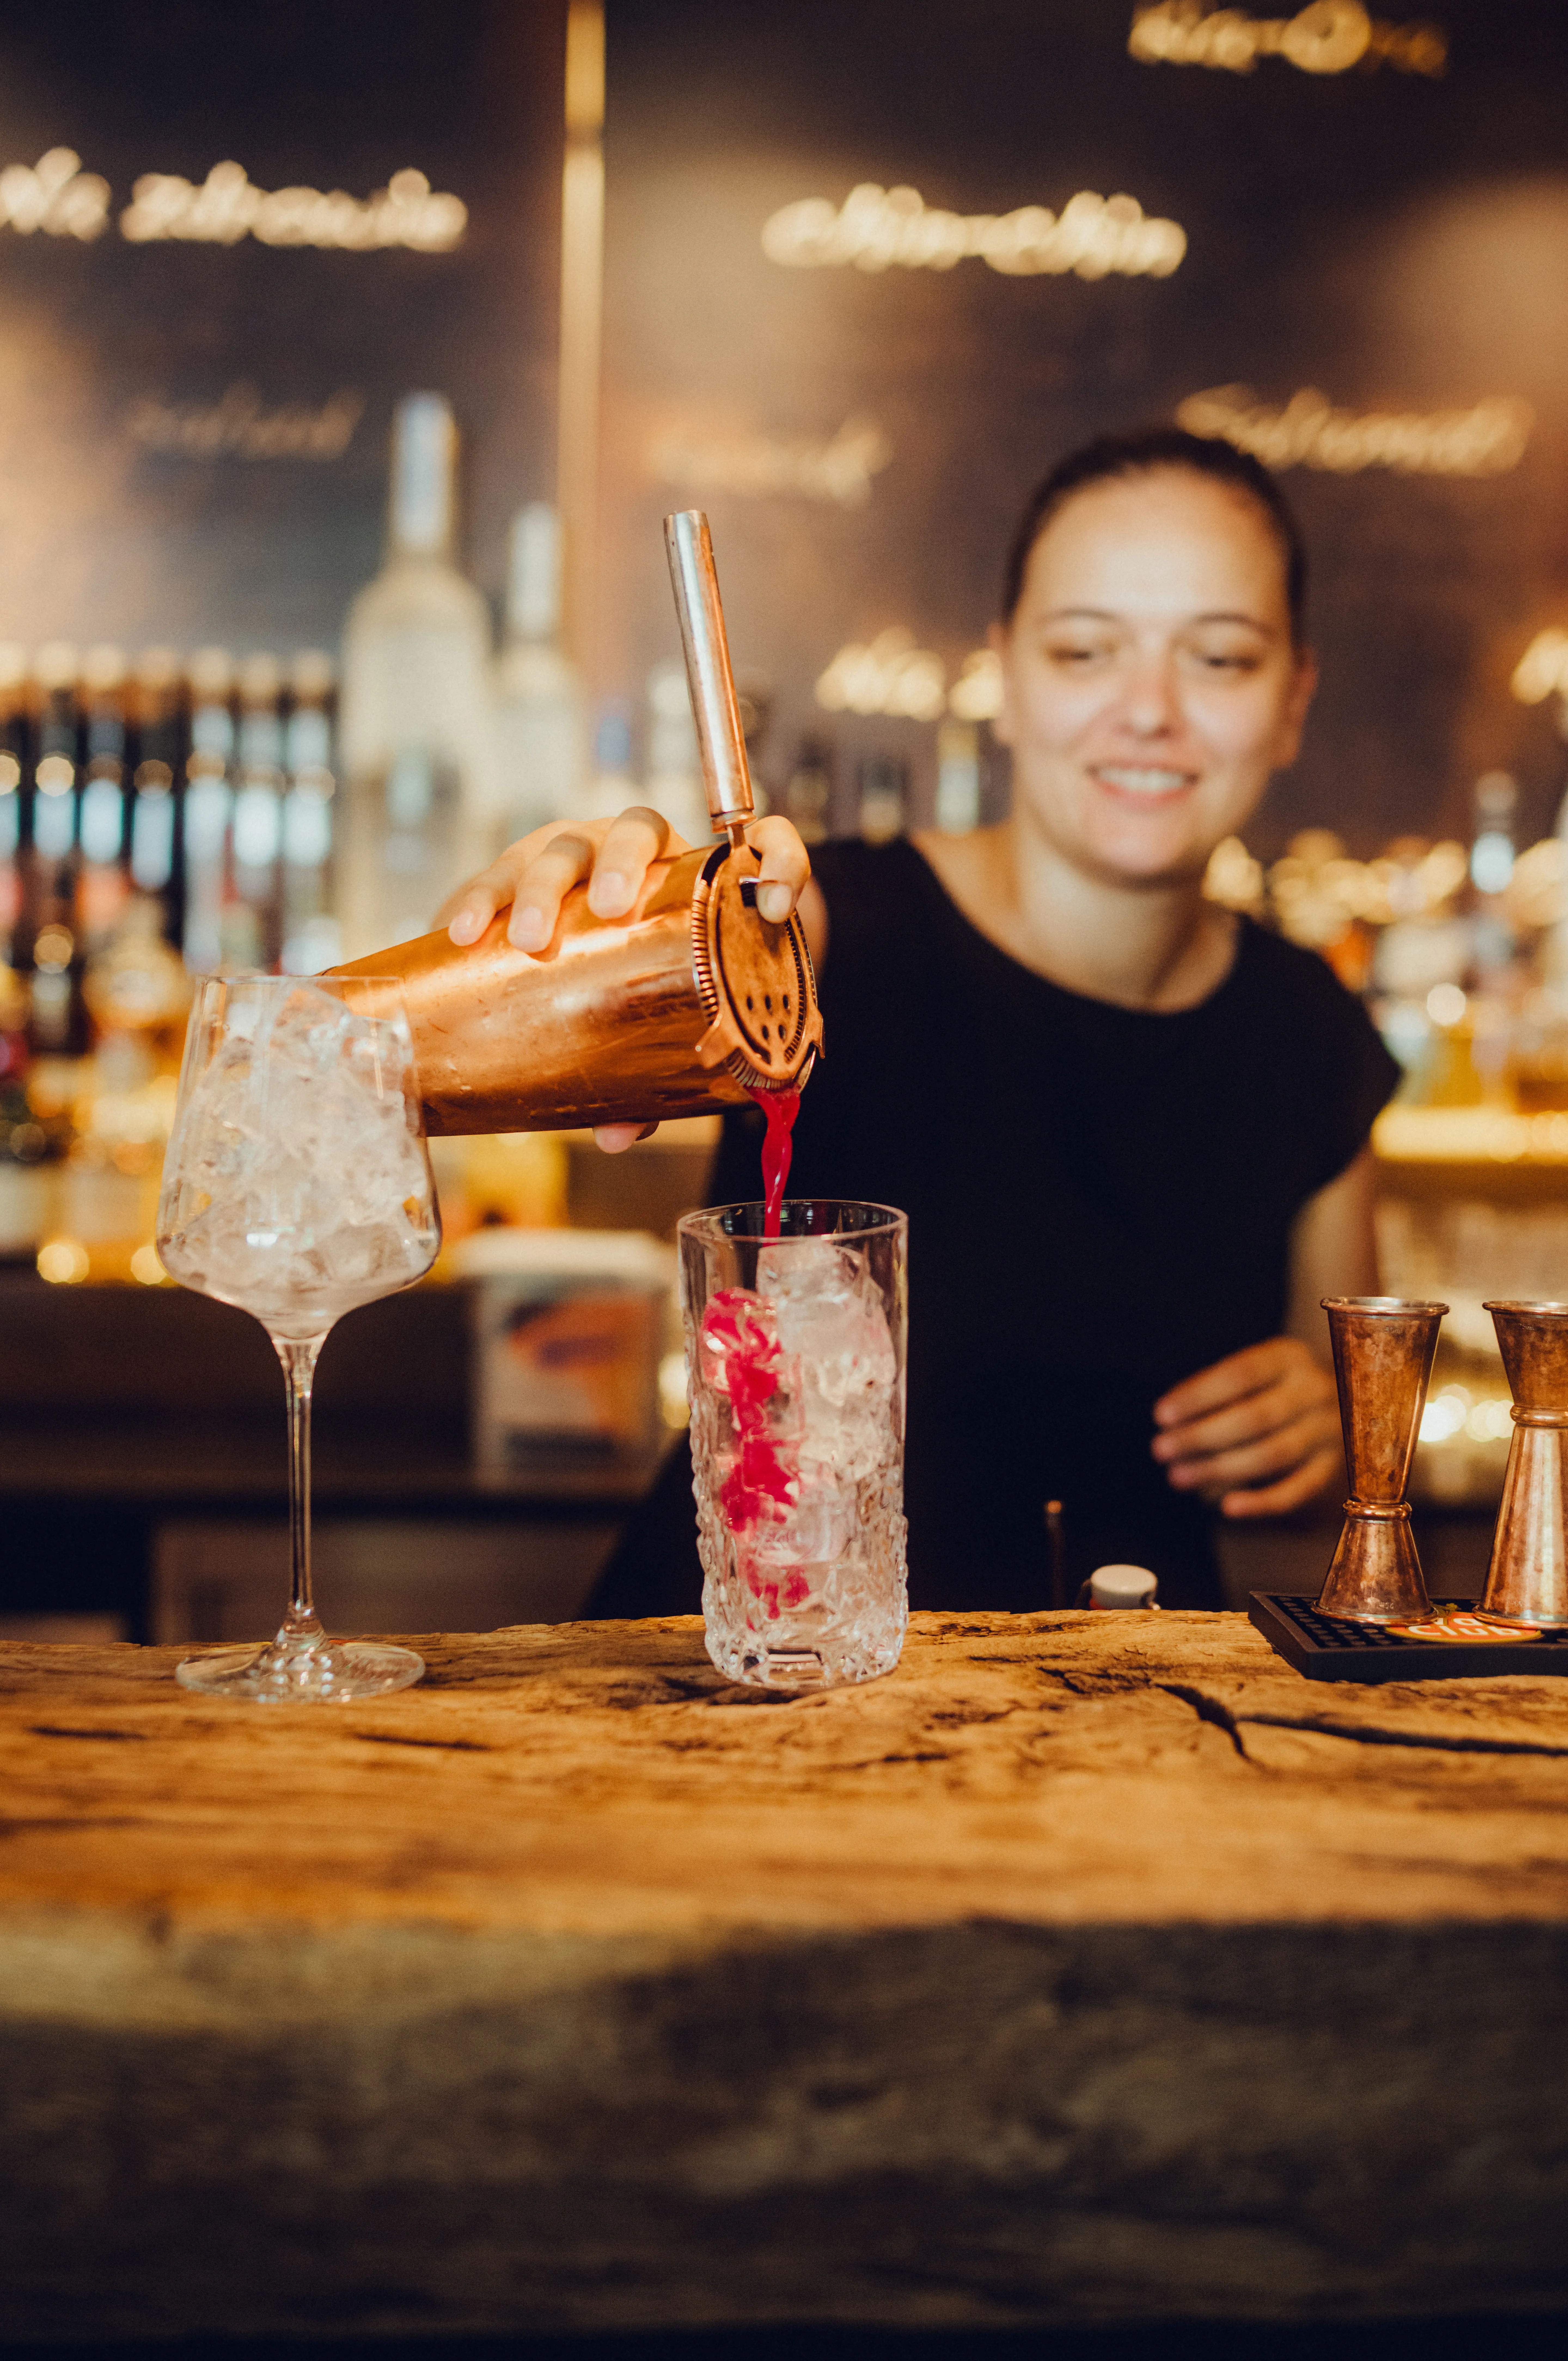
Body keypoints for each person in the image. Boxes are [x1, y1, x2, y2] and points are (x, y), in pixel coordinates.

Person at [440, 427, 1398, 1611]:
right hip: (756, 1677)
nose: (1147, 711)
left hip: (1119, 1714)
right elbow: (735, 940)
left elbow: (1352, 1424)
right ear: (1003, 677)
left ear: (1292, 700)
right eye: (1084, 649)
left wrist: (1316, 1421)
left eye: (1219, 658)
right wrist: (624, 919)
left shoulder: (1305, 1030)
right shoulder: (836, 925)